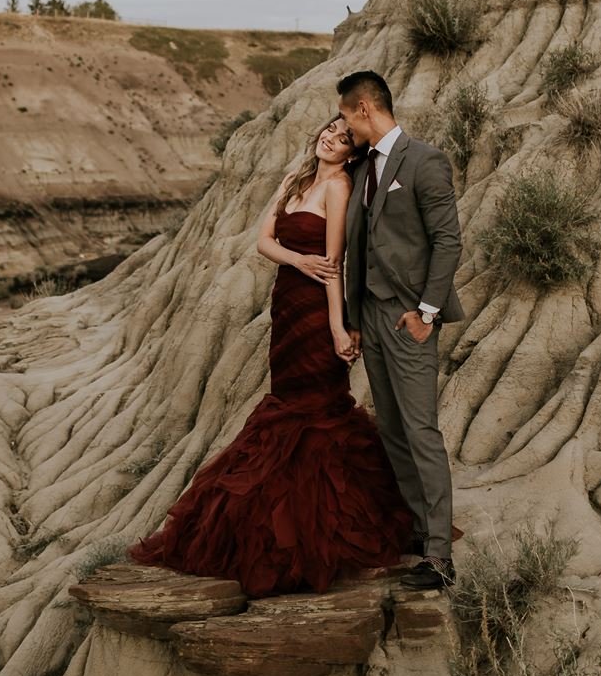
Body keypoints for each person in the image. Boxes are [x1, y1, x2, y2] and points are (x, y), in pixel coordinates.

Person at [124, 113, 418, 597]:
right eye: (329, 130)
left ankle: (316, 533)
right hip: (286, 305)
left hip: (315, 312)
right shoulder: (295, 178)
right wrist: (296, 258)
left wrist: (337, 327)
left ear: (351, 152)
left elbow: (334, 266)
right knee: (286, 407)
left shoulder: (339, 189)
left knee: (318, 412)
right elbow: (264, 243)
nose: (331, 138)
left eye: (344, 138)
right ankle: (275, 529)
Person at [337, 69, 464, 591]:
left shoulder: (424, 160)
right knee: (390, 428)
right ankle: (419, 529)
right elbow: (362, 242)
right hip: (370, 314)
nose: (346, 127)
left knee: (421, 430)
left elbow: (447, 242)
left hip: (409, 316)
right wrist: (354, 315)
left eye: (347, 115)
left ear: (365, 108)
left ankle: (440, 557)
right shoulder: (363, 166)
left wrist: (426, 311)